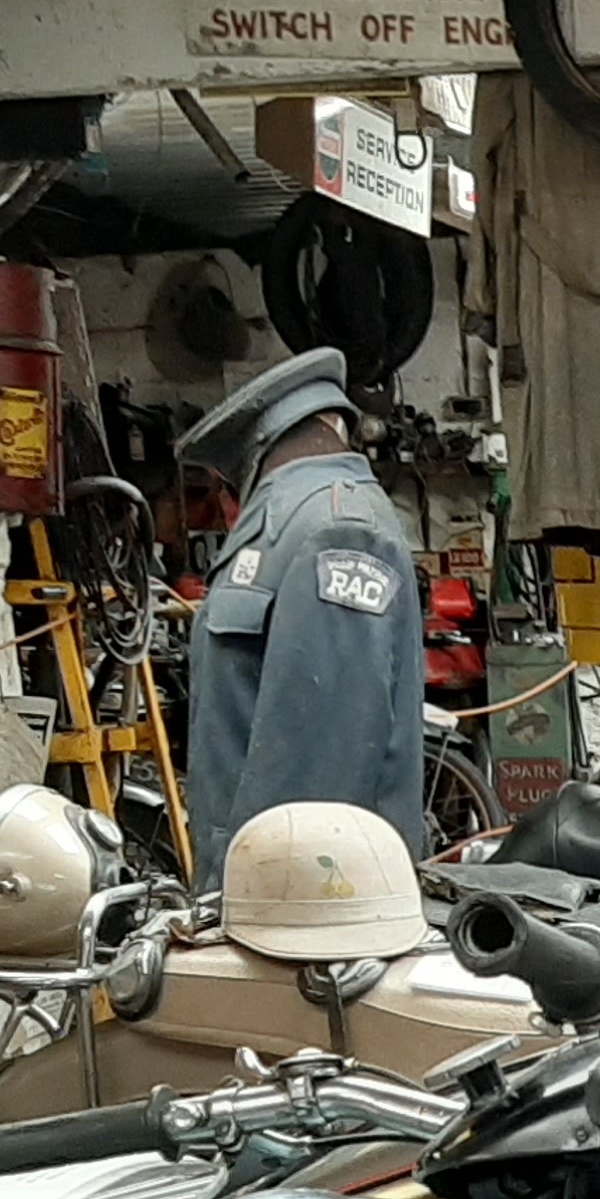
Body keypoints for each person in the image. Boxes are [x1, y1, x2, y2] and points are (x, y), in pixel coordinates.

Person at [178, 346, 424, 879]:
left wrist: (261, 898)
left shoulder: (336, 528)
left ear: (254, 454)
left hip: (306, 898)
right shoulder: (293, 521)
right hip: (267, 889)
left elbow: (321, 779)